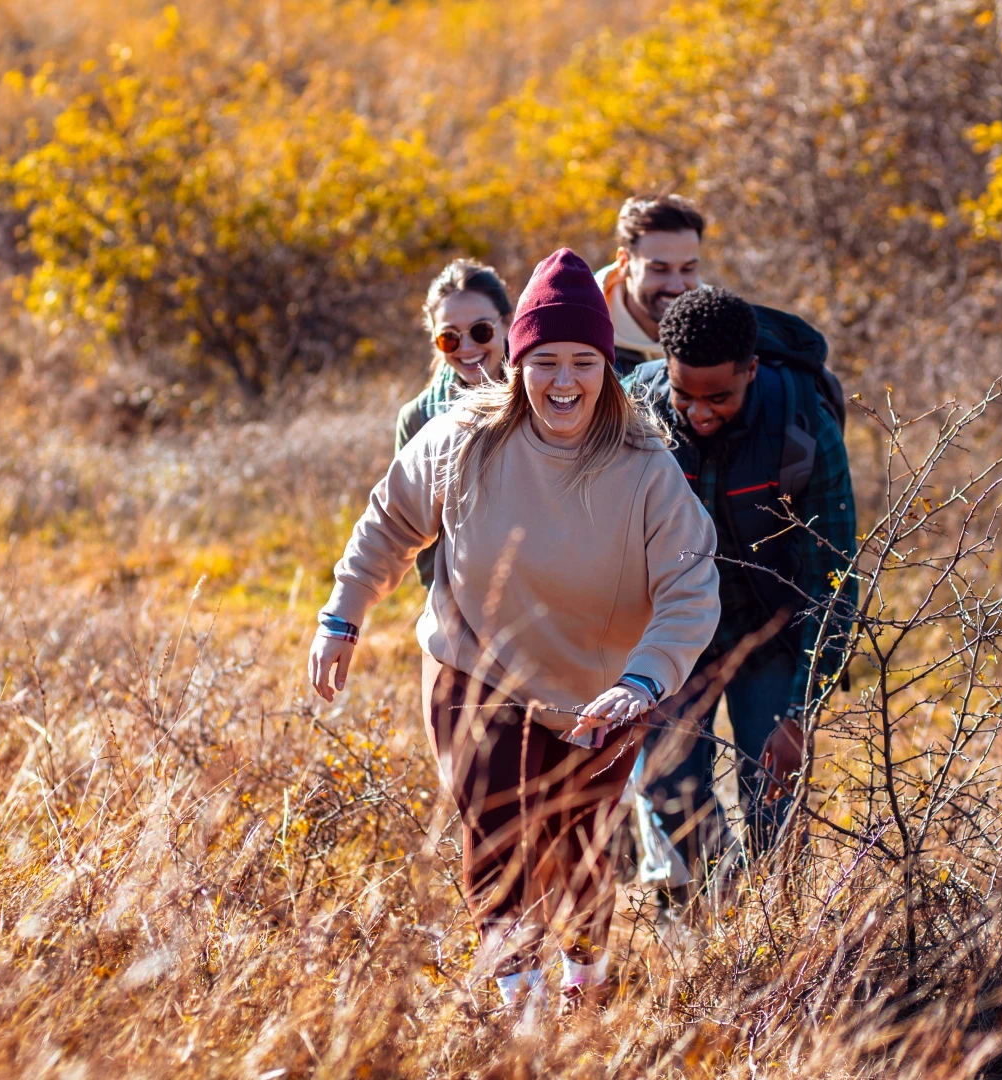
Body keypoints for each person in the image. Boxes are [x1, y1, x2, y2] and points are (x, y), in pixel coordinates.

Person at [307, 249, 720, 1006]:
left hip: (601, 692)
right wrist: (344, 613)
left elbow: (690, 589)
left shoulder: (645, 467)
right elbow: (390, 519)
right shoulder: (464, 437)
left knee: (579, 845)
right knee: (496, 828)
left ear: (606, 369)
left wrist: (643, 680)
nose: (564, 381)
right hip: (475, 668)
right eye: (545, 361)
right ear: (518, 362)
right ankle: (521, 1009)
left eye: (583, 362)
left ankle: (585, 982)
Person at [629, 285, 858, 899]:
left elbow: (833, 577)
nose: (699, 413)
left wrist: (799, 713)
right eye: (684, 395)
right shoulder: (635, 413)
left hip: (768, 634)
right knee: (670, 794)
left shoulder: (802, 426)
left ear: (751, 370)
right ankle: (719, 914)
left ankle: (777, 927)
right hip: (671, 638)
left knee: (774, 804)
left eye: (719, 398)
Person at [396, 260, 514, 588]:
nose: (467, 348)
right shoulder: (419, 418)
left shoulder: (544, 395)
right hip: (464, 597)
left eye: (481, 330)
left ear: (507, 322)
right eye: (449, 338)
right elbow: (416, 532)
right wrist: (446, 604)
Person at [593, 194, 706, 374]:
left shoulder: (727, 332)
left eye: (688, 268)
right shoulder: (577, 335)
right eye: (659, 269)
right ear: (624, 262)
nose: (677, 286)